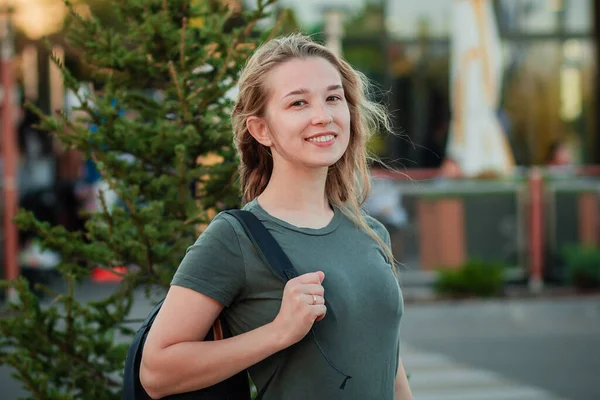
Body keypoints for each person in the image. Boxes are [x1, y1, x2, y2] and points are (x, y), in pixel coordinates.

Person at [140, 34, 413, 400]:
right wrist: (279, 332)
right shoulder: (235, 239)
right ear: (261, 129)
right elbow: (156, 371)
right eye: (298, 103)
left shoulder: (370, 231)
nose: (323, 116)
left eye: (333, 98)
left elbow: (389, 367)